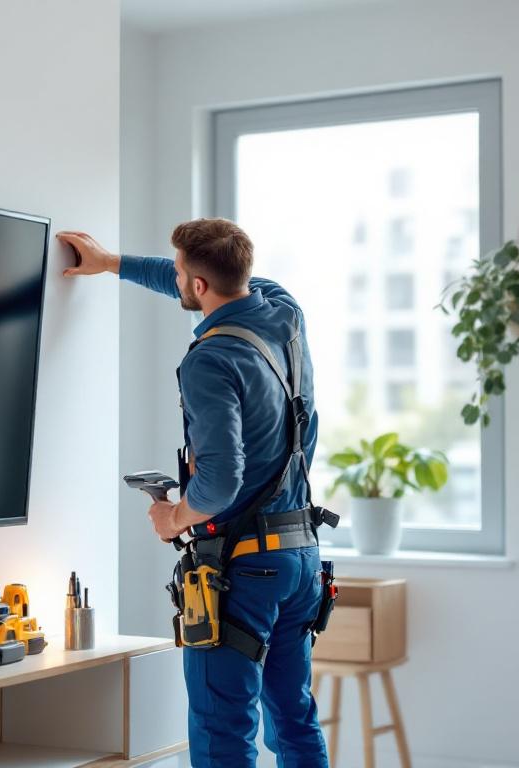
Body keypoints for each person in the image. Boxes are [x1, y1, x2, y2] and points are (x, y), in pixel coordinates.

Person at [58, 219, 329, 768]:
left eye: (181, 273)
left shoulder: (210, 359)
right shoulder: (284, 312)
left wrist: (174, 517)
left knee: (222, 732)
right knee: (294, 720)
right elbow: (194, 279)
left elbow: (221, 482)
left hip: (243, 571)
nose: (176, 278)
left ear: (199, 285)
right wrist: (111, 263)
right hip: (300, 556)